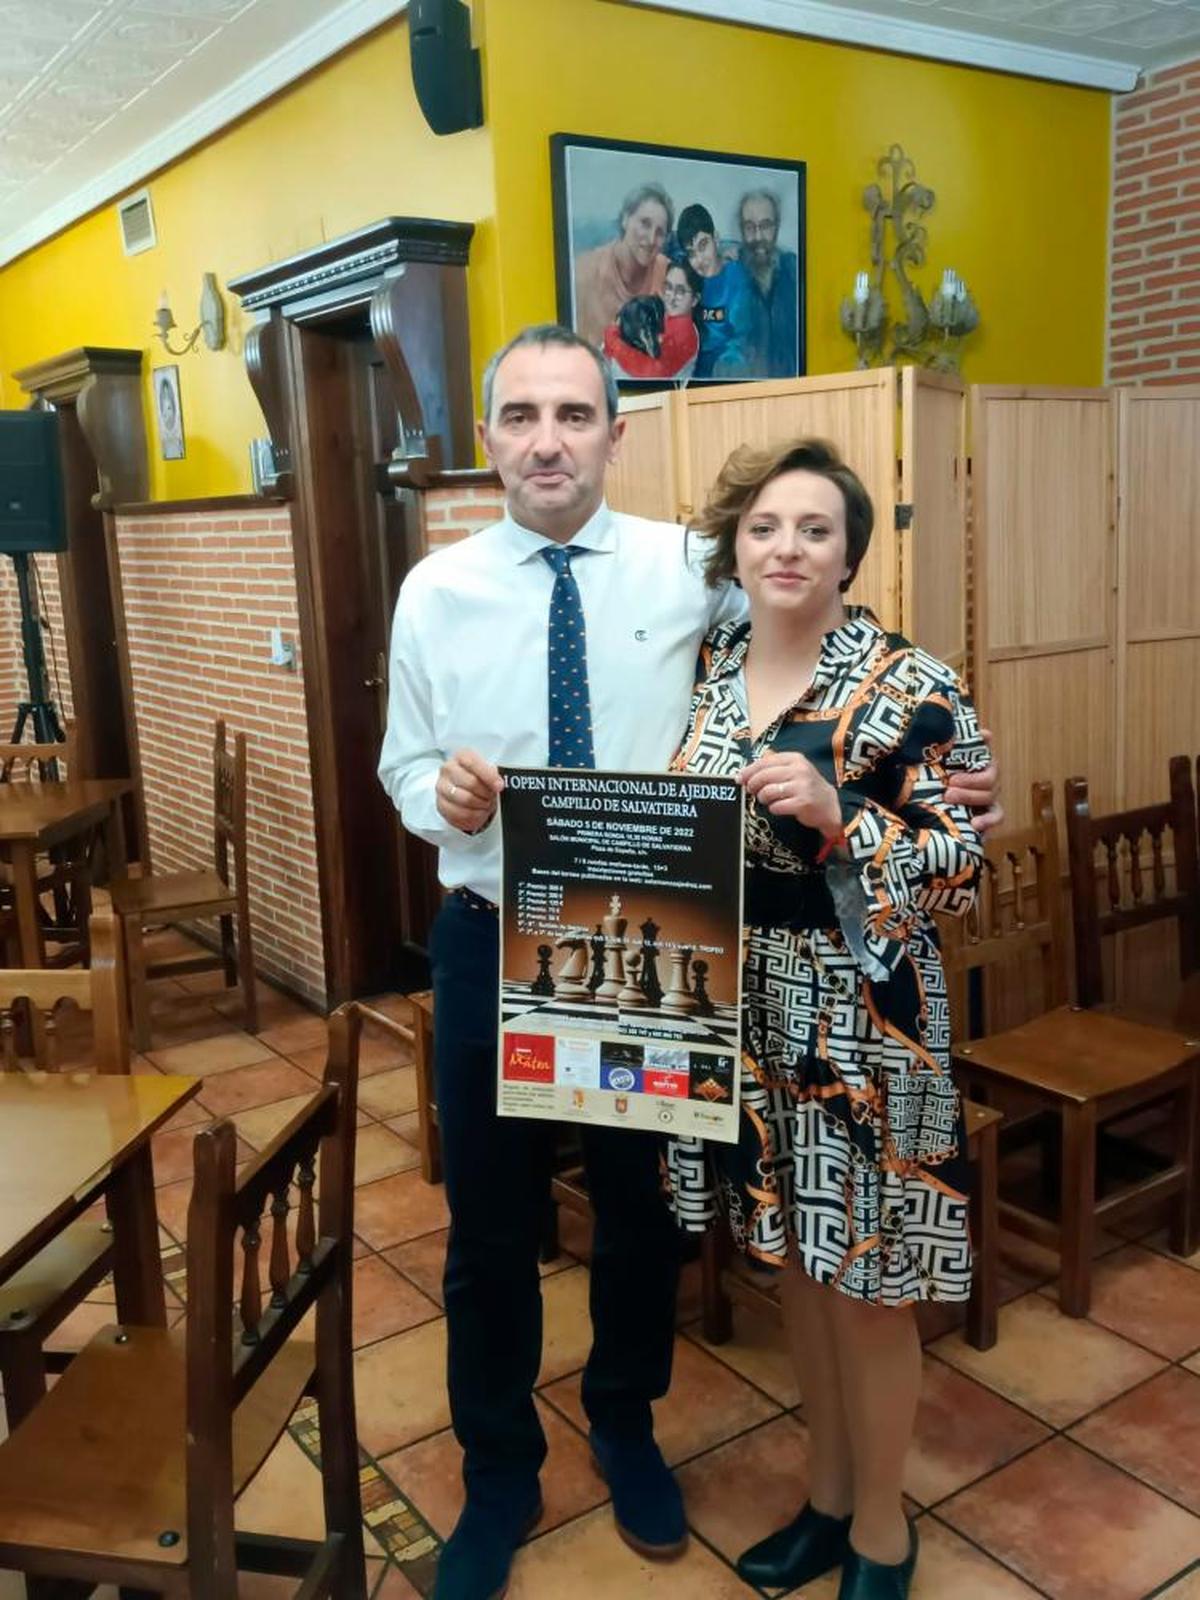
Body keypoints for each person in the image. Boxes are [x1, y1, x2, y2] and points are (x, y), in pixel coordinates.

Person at [378, 325, 1000, 1600]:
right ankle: (499, 1471)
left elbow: (827, 636)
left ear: (616, 430)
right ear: (486, 437)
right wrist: (435, 792)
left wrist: (959, 780)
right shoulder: (433, 591)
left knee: (640, 1212)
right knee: (488, 1227)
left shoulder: (688, 569)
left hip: (655, 949)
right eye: (520, 415)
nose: (546, 439)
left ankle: (626, 1427)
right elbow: (399, 764)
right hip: (493, 941)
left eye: (574, 413)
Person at [666, 437, 987, 1600]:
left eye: (812, 528)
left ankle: (885, 1533)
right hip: (751, 1002)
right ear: (735, 548)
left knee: (869, 1282)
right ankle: (829, 1497)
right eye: (763, 527)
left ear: (850, 550)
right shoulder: (717, 657)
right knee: (797, 1267)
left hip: (862, 1013)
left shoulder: (911, 680)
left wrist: (843, 812)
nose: (786, 546)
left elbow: (963, 869)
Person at [573, 183, 672, 347]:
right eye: (645, 224)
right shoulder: (584, 272)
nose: (651, 239)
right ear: (625, 219)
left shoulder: (669, 274)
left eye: (660, 232)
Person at [677, 202, 755, 379]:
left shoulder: (737, 277)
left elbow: (742, 336)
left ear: (716, 239)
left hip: (726, 366)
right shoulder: (687, 276)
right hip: (691, 367)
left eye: (703, 245)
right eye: (691, 253)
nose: (699, 259)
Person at [601, 261, 701, 380]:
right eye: (668, 287)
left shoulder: (684, 330)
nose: (671, 297)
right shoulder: (664, 314)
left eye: (680, 291)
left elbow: (653, 373)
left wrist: (613, 341)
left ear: (695, 299)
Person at [737, 188, 800, 378]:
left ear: (777, 227)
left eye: (765, 226)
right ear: (741, 230)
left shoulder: (794, 270)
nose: (757, 237)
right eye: (749, 227)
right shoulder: (729, 274)